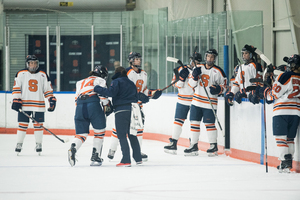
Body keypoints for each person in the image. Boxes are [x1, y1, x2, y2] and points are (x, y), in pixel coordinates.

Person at [107, 52, 162, 162]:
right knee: (119, 129)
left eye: (139, 59)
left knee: (138, 128)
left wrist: (152, 93)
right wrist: (139, 96)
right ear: (131, 61)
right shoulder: (127, 73)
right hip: (127, 104)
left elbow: (144, 90)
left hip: (138, 106)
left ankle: (138, 151)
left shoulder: (144, 74)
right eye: (136, 59)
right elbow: (126, 89)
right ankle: (112, 149)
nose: (139, 61)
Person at [257, 54, 300, 173]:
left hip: (281, 111)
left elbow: (273, 95)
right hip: (296, 112)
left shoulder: (285, 75)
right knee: (290, 139)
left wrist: (265, 91)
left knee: (280, 138)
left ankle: (284, 161)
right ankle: (288, 161)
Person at [94, 67, 145, 167]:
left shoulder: (116, 81)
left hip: (121, 110)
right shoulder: (131, 83)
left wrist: (97, 88)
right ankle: (138, 159)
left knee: (121, 135)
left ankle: (126, 160)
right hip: (133, 110)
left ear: (116, 73)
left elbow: (111, 93)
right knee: (132, 135)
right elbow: (136, 97)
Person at [184, 49, 227, 156]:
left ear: (215, 58)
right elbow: (190, 84)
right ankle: (193, 145)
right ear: (205, 57)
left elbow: (225, 87)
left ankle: (213, 145)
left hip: (210, 103)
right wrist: (194, 76)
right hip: (196, 102)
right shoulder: (198, 68)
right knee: (194, 123)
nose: (210, 59)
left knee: (209, 124)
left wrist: (219, 89)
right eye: (208, 56)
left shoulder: (219, 71)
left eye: (212, 57)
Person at [12, 55, 57, 155]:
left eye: (35, 63)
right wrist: (16, 100)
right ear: (27, 64)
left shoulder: (43, 74)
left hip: (39, 105)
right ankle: (19, 144)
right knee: (22, 125)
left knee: (38, 126)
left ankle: (38, 144)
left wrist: (51, 100)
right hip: (24, 104)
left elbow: (48, 90)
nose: (33, 65)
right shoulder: (21, 74)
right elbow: (16, 88)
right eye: (31, 63)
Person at [68, 65, 112, 167]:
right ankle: (95, 156)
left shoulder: (80, 82)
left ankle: (73, 147)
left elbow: (76, 99)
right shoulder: (100, 80)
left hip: (79, 107)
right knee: (99, 131)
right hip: (93, 104)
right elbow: (102, 95)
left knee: (81, 134)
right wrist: (107, 105)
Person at [164, 53, 202, 154]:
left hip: (195, 100)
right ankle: (174, 142)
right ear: (190, 60)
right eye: (193, 61)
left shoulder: (200, 70)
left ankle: (194, 144)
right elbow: (175, 85)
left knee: (194, 122)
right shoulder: (180, 69)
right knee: (178, 121)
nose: (195, 63)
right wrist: (181, 79)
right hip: (182, 99)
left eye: (197, 62)